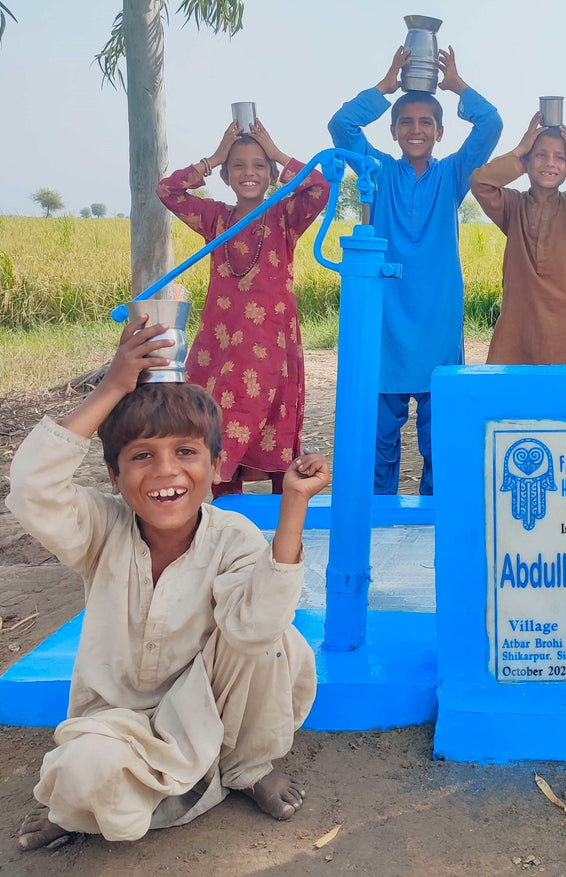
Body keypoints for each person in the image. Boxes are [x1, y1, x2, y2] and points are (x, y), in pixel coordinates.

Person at [7, 318, 329, 849]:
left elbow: (254, 630)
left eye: (186, 452)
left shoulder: (232, 537)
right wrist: (112, 387)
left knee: (278, 643)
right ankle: (83, 807)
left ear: (215, 466)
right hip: (116, 723)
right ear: (113, 477)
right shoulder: (101, 527)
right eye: (140, 456)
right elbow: (32, 488)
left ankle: (246, 768)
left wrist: (294, 505)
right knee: (82, 774)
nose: (165, 473)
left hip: (204, 709)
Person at [328, 46, 502, 496]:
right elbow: (341, 126)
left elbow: (491, 125)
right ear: (392, 130)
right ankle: (379, 516)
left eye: (427, 122)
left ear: (441, 132)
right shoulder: (378, 170)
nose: (416, 129)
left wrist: (457, 84)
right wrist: (387, 84)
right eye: (406, 122)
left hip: (437, 320)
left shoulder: (453, 176)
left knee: (438, 438)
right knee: (379, 440)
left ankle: (432, 518)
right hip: (385, 319)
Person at [157, 119, 329, 498]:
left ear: (270, 174)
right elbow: (168, 190)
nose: (249, 172)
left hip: (272, 347)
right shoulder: (215, 218)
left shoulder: (285, 216)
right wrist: (214, 156)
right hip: (223, 347)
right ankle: (226, 518)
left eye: (259, 165)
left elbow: (319, 188)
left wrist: (278, 152)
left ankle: (283, 525)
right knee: (220, 424)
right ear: (226, 175)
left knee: (275, 425)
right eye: (237, 165)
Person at [471, 114, 566, 365]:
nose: (550, 163)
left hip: (564, 334)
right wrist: (519, 151)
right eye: (540, 154)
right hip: (516, 332)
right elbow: (480, 182)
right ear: (527, 161)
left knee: (562, 400)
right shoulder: (512, 206)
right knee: (512, 399)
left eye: (560, 157)